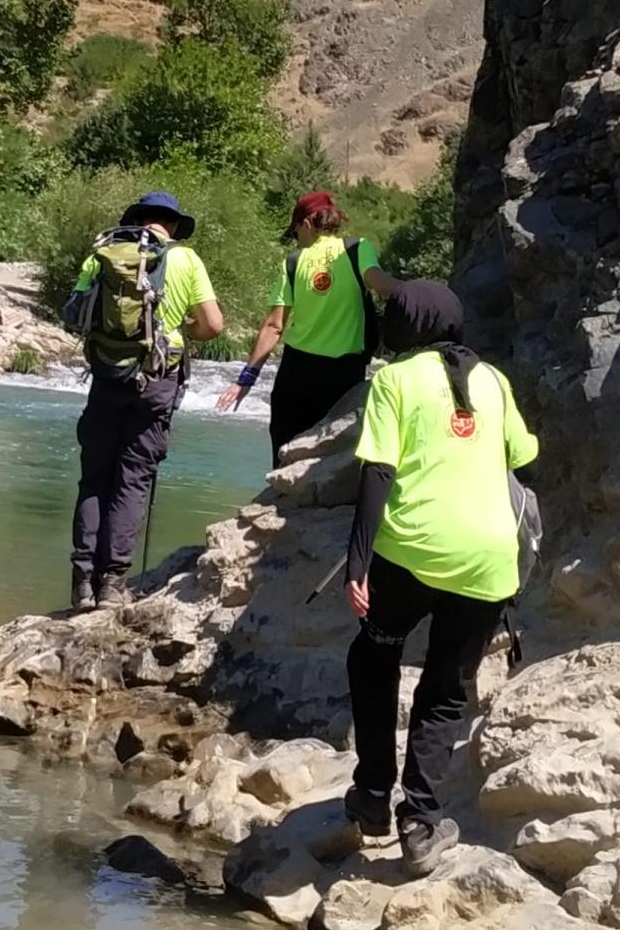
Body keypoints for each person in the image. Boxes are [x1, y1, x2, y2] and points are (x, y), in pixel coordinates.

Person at [343, 280, 538, 877]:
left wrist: (358, 562)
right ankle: (421, 824)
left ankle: (374, 795)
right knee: (446, 691)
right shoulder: (495, 381)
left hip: (410, 554)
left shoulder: (394, 380)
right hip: (488, 560)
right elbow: (523, 458)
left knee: (372, 656)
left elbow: (378, 472)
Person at [69, 191, 223, 612]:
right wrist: (181, 327)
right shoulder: (186, 260)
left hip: (106, 375)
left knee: (94, 478)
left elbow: (73, 312)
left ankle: (83, 583)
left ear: (137, 220)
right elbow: (213, 324)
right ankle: (113, 585)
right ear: (171, 225)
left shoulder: (102, 253)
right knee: (133, 478)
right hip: (157, 379)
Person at [216, 190, 396, 466]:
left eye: (295, 230)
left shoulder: (293, 262)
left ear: (307, 224)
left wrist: (246, 379)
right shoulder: (357, 249)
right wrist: (420, 295)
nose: (296, 237)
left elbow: (274, 326)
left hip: (296, 371)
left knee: (286, 452)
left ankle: (278, 503)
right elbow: (382, 285)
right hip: (344, 373)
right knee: (334, 455)